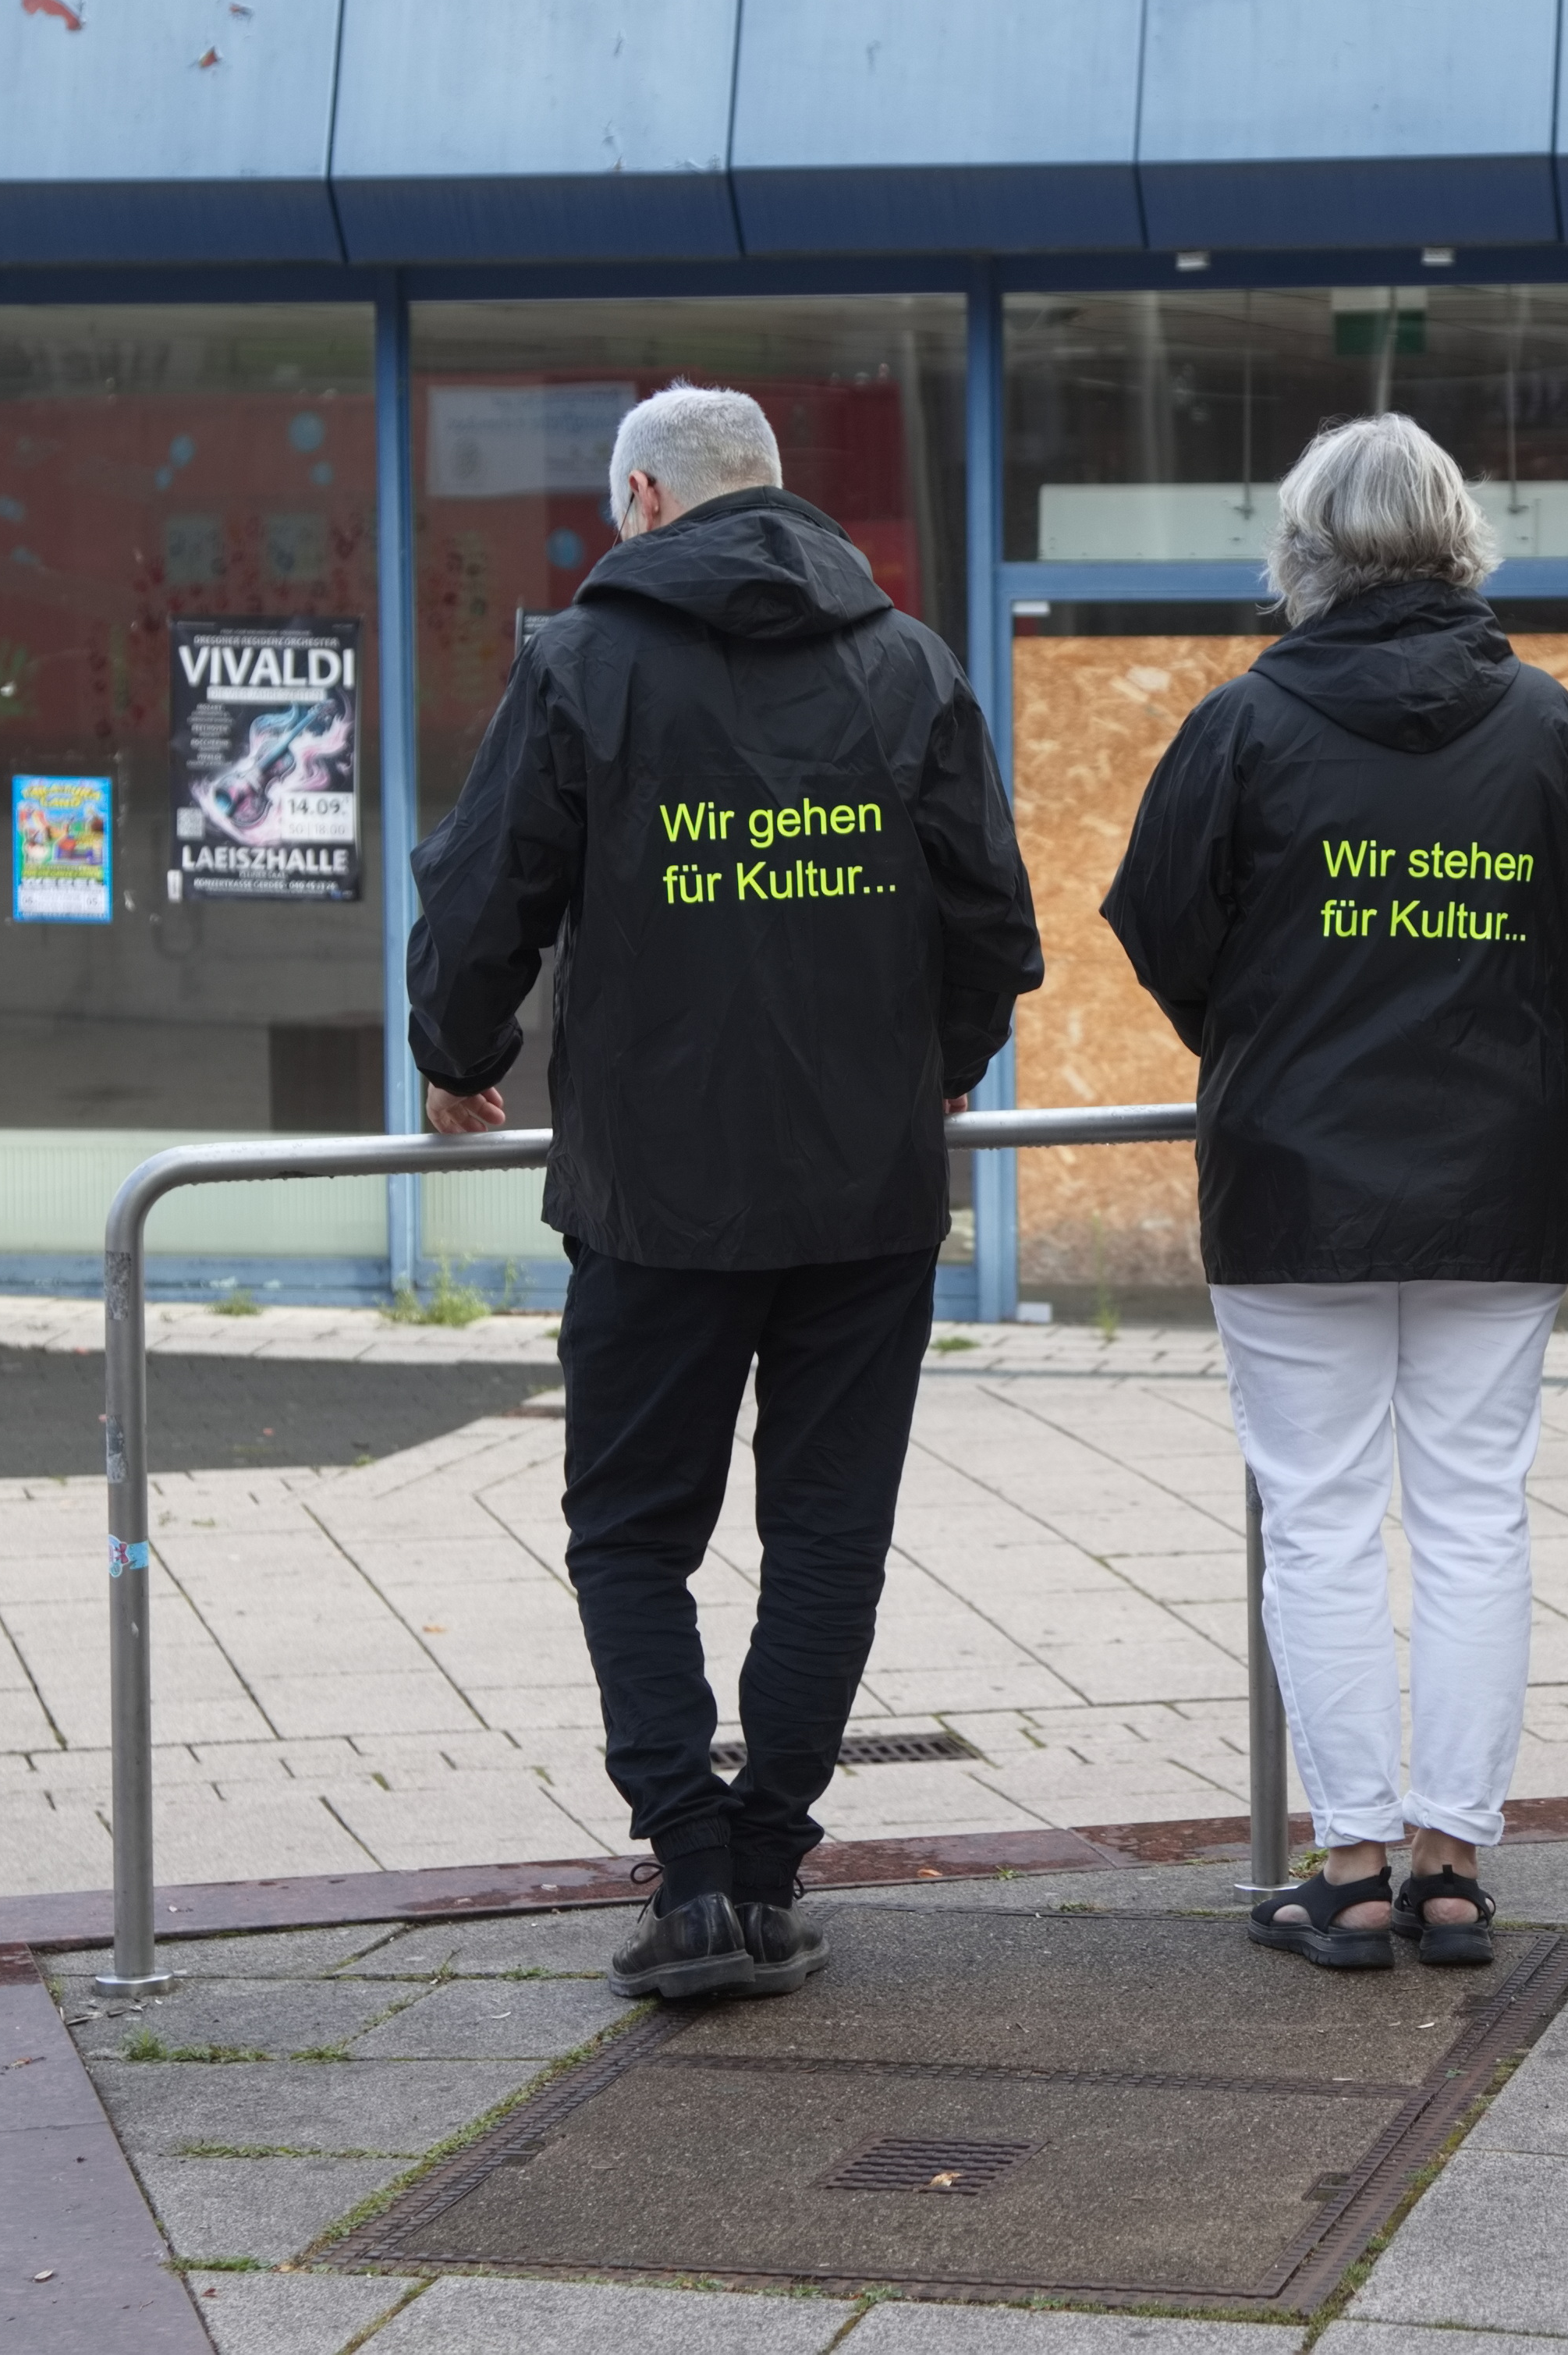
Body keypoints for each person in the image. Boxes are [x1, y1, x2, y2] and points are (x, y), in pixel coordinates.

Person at [407, 385, 1041, 2002]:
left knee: (632, 1531)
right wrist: (943, 1061)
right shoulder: (905, 663)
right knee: (829, 1531)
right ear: (773, 488)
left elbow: (486, 895)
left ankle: (690, 1875)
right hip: (863, 1189)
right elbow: (991, 913)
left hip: (655, 1193)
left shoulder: (581, 663)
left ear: (640, 498)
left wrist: (458, 1054)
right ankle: (770, 1864)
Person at [1102, 414, 1568, 1973]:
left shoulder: (1242, 723)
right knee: (1475, 1516)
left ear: (1302, 550)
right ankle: (1451, 1865)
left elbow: (1159, 926)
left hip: (1291, 1177)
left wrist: (1258, 1035)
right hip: (1495, 1169)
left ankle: (1349, 1866)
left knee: (1318, 1522)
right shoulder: (1546, 723)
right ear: (1460, 539)